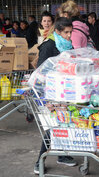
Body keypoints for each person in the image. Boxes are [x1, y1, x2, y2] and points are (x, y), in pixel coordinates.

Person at [34, 18, 75, 175]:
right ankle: (39, 162)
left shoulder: (67, 45)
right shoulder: (49, 45)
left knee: (62, 124)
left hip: (62, 90)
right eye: (66, 32)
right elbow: (41, 71)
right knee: (52, 127)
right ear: (57, 31)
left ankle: (62, 155)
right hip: (48, 93)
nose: (69, 35)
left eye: (71, 32)